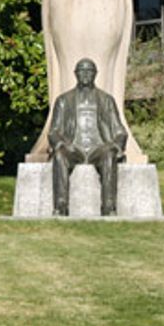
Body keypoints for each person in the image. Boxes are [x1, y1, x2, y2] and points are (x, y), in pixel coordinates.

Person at [48, 58, 127, 216]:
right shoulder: (63, 100)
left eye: (89, 71)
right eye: (82, 71)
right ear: (75, 74)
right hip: (73, 147)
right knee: (59, 155)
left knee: (109, 154)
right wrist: (61, 144)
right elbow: (53, 131)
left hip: (98, 148)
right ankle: (61, 206)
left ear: (95, 74)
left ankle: (109, 207)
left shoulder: (106, 100)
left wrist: (115, 145)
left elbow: (120, 131)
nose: (85, 74)